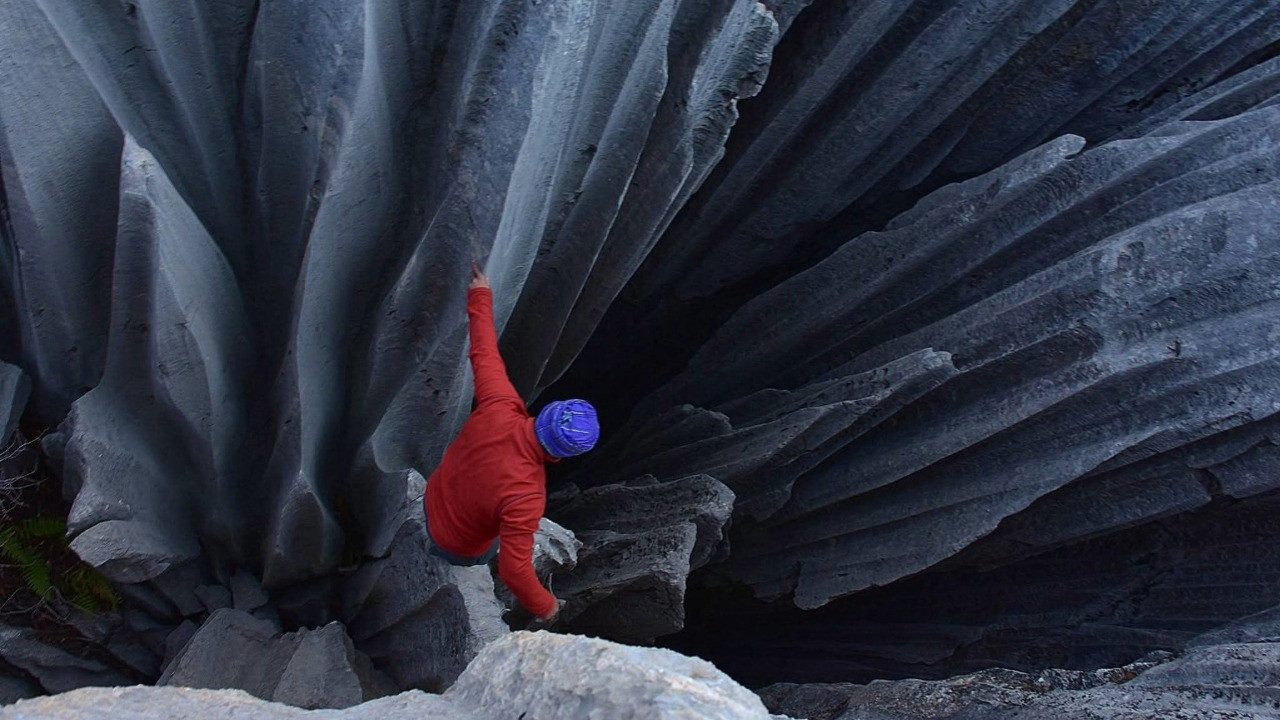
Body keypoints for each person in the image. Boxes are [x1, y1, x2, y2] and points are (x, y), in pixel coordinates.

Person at [424, 262, 599, 625]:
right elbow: (514, 570)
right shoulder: (526, 495)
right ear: (563, 454)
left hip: (433, 497)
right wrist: (547, 607)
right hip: (453, 544)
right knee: (490, 549)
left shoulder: (500, 405)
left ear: (546, 413)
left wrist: (480, 294)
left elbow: (484, 354)